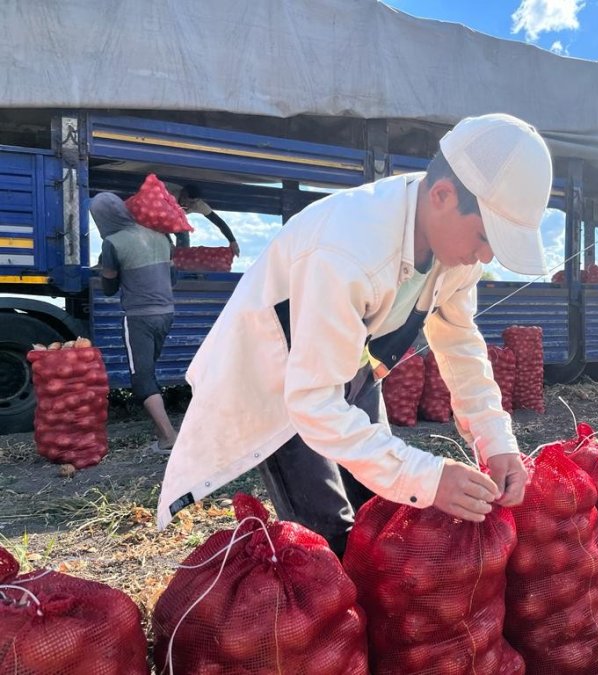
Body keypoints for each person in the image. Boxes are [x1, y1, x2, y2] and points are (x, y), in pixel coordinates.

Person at [155, 113, 552, 556]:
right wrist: (428, 477)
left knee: (380, 507)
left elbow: (459, 342)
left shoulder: (454, 254)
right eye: (484, 236)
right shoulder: (345, 248)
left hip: (353, 362)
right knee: (326, 526)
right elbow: (312, 400)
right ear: (442, 195)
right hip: (282, 379)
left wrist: (496, 442)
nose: (486, 255)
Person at [90, 192, 179, 451]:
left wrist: (105, 270)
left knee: (140, 378)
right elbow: (172, 278)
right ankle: (163, 432)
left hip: (139, 317)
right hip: (167, 314)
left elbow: (109, 287)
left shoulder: (112, 243)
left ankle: (168, 437)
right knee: (148, 372)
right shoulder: (160, 235)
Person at [164, 182, 241, 257]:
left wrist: (232, 241)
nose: (188, 205)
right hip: (159, 206)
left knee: (184, 231)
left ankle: (181, 258)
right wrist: (169, 242)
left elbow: (218, 222)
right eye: (186, 201)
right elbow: (158, 218)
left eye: (192, 202)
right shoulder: (169, 193)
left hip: (172, 215)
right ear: (182, 195)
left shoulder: (198, 205)